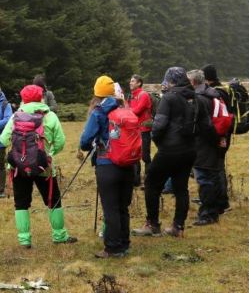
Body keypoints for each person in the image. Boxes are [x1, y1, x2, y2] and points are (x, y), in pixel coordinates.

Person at [0, 85, 77, 247]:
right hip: (44, 167)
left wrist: (18, 150)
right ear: (41, 97)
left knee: (21, 202)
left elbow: (3, 139)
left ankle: (24, 239)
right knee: (53, 200)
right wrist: (50, 153)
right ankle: (59, 235)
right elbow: (61, 142)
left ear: (23, 98)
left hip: (18, 168)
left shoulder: (16, 116)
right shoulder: (50, 116)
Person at [133, 67, 200, 238]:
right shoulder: (194, 97)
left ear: (170, 81)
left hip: (170, 150)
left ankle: (152, 224)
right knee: (181, 188)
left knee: (151, 184)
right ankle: (178, 227)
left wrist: (158, 141)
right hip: (189, 150)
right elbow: (203, 124)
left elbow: (159, 125)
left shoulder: (169, 98)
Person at [80, 76, 133, 258]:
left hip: (107, 163)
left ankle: (112, 247)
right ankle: (125, 243)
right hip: (129, 164)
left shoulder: (99, 112)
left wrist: (90, 146)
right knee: (122, 206)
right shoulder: (125, 108)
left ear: (96, 92)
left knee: (110, 207)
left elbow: (85, 140)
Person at [188, 69, 225, 226]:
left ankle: (207, 214)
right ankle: (214, 210)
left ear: (193, 82)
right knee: (213, 177)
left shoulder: (199, 99)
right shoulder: (214, 94)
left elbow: (203, 125)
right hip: (213, 143)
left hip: (204, 144)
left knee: (204, 179)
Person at [202, 64, 232, 215]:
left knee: (217, 168)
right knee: (218, 167)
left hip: (220, 135)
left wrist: (220, 136)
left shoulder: (216, 93)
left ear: (206, 77)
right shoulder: (223, 90)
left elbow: (221, 118)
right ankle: (219, 199)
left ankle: (222, 202)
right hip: (224, 134)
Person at [128, 75, 153, 187]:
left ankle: (148, 180)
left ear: (139, 83)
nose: (130, 83)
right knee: (134, 155)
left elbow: (137, 111)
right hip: (134, 129)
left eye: (133, 81)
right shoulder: (131, 96)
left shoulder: (143, 95)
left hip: (144, 129)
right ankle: (136, 180)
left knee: (145, 156)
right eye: (130, 81)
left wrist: (127, 111)